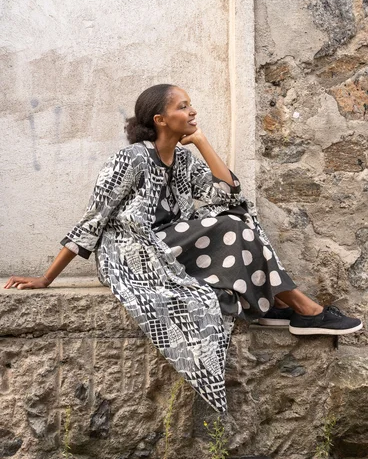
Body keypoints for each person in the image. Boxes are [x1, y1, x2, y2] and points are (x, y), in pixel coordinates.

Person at [4, 84, 362, 413]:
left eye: (191, 105)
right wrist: (45, 279)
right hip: (130, 253)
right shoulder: (130, 159)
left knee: (237, 216)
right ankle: (298, 307)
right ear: (160, 119)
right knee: (228, 224)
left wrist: (203, 142)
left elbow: (229, 193)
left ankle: (285, 305)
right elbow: (93, 220)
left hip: (169, 245)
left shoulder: (185, 160)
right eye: (183, 106)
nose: (192, 112)